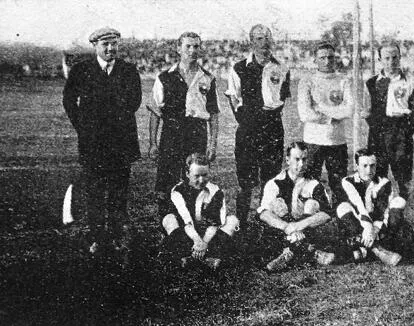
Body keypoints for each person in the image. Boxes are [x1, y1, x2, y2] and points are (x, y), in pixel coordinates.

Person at [62, 27, 141, 256]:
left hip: (120, 143)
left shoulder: (128, 70)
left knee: (118, 193)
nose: (110, 48)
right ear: (95, 46)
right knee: (94, 193)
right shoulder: (81, 70)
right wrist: (83, 127)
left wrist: (112, 122)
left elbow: (134, 102)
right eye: (105, 44)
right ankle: (96, 238)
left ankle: (116, 237)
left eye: (114, 43)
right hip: (93, 144)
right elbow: (68, 100)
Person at [225, 24, 291, 228]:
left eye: (267, 38)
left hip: (272, 129)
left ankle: (266, 225)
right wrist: (245, 120)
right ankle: (241, 224)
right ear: (251, 41)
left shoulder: (281, 68)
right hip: (248, 130)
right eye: (259, 39)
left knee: (270, 181)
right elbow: (233, 98)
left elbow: (282, 99)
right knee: (245, 183)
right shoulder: (238, 68)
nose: (264, 43)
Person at [148, 32, 219, 213]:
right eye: (188, 46)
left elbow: (213, 114)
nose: (192, 50)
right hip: (172, 133)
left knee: (194, 182)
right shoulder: (165, 77)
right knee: (167, 183)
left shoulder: (207, 78)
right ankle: (168, 228)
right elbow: (155, 113)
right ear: (179, 49)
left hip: (197, 134)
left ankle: (193, 226)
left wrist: (212, 144)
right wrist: (153, 144)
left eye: (196, 46)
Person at [258, 142, 336, 272]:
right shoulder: (274, 183)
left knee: (312, 204)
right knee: (278, 204)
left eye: (304, 160)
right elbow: (263, 213)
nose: (301, 164)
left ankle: (288, 252)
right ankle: (312, 252)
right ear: (287, 160)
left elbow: (327, 214)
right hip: (282, 230)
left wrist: (299, 226)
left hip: (305, 230)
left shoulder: (314, 184)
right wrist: (287, 227)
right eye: (297, 159)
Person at [363, 43, 414, 200]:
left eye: (395, 57)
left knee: (403, 175)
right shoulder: (372, 82)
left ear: (400, 57)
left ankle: (402, 211)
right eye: (387, 58)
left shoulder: (410, 81)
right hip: (378, 132)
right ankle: (379, 212)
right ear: (380, 60)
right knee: (378, 173)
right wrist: (376, 126)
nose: (391, 62)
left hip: (400, 131)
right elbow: (367, 111)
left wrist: (405, 131)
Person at [158, 153, 239, 270]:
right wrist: (197, 241)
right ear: (187, 174)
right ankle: (186, 256)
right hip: (186, 235)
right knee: (169, 219)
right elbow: (186, 222)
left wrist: (204, 243)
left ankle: (203, 258)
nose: (201, 180)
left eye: (205, 175)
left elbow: (214, 223)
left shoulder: (215, 191)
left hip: (208, 236)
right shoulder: (178, 191)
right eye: (196, 176)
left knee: (233, 220)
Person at [297, 42, 353, 201]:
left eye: (330, 57)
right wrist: (333, 116)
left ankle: (341, 217)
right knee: (310, 183)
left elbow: (349, 110)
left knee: (339, 184)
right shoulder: (307, 81)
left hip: (337, 140)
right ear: (315, 60)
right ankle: (310, 218)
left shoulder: (343, 80)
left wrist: (320, 107)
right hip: (313, 141)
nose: (327, 61)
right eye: (322, 58)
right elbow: (305, 114)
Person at [335, 149, 405, 266]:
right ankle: (377, 250)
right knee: (342, 208)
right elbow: (358, 206)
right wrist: (368, 228)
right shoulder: (348, 181)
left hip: (377, 227)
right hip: (357, 223)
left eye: (372, 166)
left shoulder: (384, 182)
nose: (369, 170)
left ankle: (362, 250)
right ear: (357, 166)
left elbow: (382, 210)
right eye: (365, 166)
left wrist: (374, 231)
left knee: (399, 202)